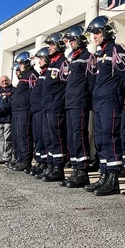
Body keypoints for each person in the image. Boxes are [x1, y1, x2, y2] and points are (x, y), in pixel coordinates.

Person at [84, 15, 125, 196]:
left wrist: (120, 95)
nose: (94, 36)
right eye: (93, 33)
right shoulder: (100, 54)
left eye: (97, 32)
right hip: (99, 104)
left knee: (111, 139)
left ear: (106, 32)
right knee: (101, 141)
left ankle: (113, 180)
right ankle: (103, 176)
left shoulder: (116, 50)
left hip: (111, 102)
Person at [62, 25, 94, 188]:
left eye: (73, 40)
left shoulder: (88, 56)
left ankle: (82, 172)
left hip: (79, 102)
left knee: (79, 135)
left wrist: (88, 100)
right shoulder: (73, 58)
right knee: (72, 137)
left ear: (81, 39)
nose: (70, 43)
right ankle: (75, 169)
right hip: (70, 103)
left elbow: (91, 81)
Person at [41, 32, 69, 182]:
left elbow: (66, 86)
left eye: (52, 45)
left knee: (57, 137)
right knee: (49, 138)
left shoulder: (63, 63)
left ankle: (59, 168)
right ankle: (51, 165)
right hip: (47, 107)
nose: (49, 48)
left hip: (56, 107)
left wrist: (59, 103)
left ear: (59, 45)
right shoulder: (52, 63)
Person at [10, 52, 37, 172]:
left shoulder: (32, 74)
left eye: (20, 63)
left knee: (24, 136)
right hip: (17, 110)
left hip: (25, 110)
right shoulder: (23, 76)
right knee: (17, 136)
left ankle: (26, 161)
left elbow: (35, 91)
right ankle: (20, 158)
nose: (19, 66)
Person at [29, 48, 49, 178]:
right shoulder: (42, 73)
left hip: (42, 110)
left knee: (43, 137)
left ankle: (45, 162)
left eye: (41, 59)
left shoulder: (48, 73)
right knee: (38, 137)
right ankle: (40, 161)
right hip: (36, 110)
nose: (39, 61)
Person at [0, 76, 14, 164]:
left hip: (7, 118)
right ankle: (0, 155)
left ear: (9, 81)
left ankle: (7, 157)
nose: (4, 82)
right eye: (2, 81)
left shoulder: (12, 91)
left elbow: (10, 104)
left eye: (6, 81)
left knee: (7, 139)